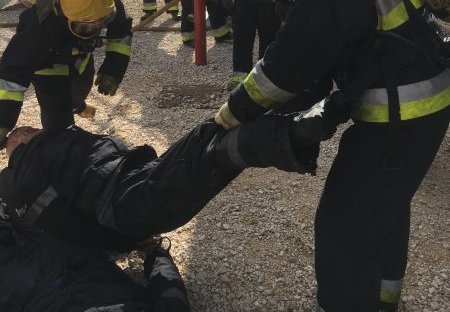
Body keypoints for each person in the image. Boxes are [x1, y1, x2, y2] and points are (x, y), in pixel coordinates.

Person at [214, 0, 450, 312]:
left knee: (344, 226)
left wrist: (234, 111)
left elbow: (290, 64)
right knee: (385, 208)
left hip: (399, 114)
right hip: (427, 98)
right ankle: (382, 300)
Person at [0, 106, 333, 251]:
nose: (24, 130)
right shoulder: (22, 174)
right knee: (213, 155)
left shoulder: (59, 138)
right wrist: (126, 241)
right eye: (16, 135)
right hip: (120, 205)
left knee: (209, 134)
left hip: (130, 180)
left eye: (25, 128)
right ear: (14, 150)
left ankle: (295, 129)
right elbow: (63, 225)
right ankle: (300, 130)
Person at [0, 0, 132, 143]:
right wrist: (3, 123)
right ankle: (59, 150)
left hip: (81, 60)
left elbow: (121, 31)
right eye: (85, 26)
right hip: (48, 66)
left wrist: (114, 68)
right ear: (60, 9)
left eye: (100, 25)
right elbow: (12, 76)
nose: (94, 30)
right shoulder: (37, 27)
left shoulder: (102, 1)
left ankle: (76, 105)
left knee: (79, 92)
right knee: (58, 124)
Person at [0, 216, 190, 312]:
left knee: (35, 220)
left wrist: (153, 251)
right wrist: (154, 251)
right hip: (79, 268)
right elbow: (170, 293)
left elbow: (170, 292)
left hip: (28, 298)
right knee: (39, 219)